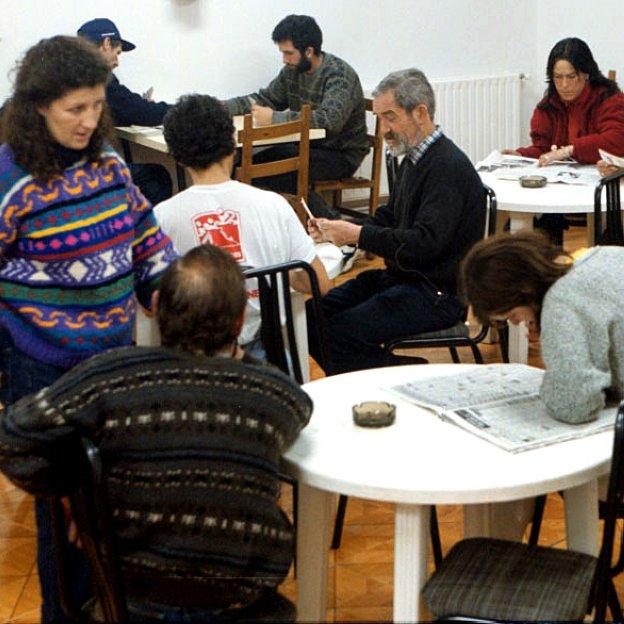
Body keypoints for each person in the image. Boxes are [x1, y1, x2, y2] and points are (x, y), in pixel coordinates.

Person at [0, 244, 312, 623]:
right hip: (243, 606)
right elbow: (302, 405)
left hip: (132, 601)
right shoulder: (272, 393)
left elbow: (12, 436)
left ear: (158, 305)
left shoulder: (108, 378)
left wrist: (71, 490)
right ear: (239, 320)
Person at [0, 35, 177, 622]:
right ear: (39, 107)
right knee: (61, 510)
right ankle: (64, 613)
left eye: (97, 106)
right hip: (41, 364)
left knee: (107, 502)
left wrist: (175, 295)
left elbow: (145, 236)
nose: (89, 120)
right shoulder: (10, 178)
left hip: (111, 359)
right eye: (75, 108)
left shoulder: (108, 162)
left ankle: (105, 606)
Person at [306, 68, 485, 375]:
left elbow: (424, 244)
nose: (383, 128)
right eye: (380, 118)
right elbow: (392, 216)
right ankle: (396, 372)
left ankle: (402, 378)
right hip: (405, 279)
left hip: (436, 293)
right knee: (309, 316)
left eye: (390, 117)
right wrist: (337, 230)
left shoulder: (447, 167)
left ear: (420, 113)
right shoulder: (414, 157)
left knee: (337, 331)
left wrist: (358, 235)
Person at [155, 93, 331, 358]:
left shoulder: (161, 218)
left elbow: (155, 304)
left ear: (177, 157)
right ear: (234, 142)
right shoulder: (274, 205)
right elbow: (319, 283)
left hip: (194, 359)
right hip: (268, 353)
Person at [460, 230, 624, 424]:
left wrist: (555, 350)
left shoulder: (561, 300)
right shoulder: (602, 254)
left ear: (525, 290)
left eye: (513, 315)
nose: (516, 323)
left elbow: (575, 406)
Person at [222, 14, 368, 219]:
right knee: (244, 167)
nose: (284, 59)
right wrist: (219, 108)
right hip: (307, 147)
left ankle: (330, 223)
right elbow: (264, 98)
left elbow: (330, 121)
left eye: (289, 53)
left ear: (308, 51)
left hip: (340, 153)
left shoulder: (339, 75)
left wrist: (274, 119)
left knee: (277, 172)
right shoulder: (292, 71)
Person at [77, 18, 173, 205]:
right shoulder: (96, 77)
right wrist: (188, 109)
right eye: (117, 52)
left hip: (55, 173)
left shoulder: (67, 74)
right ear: (106, 44)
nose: (117, 62)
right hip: (84, 177)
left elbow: (123, 109)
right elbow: (142, 113)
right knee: (156, 177)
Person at [503, 37, 624, 166]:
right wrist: (520, 155)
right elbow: (543, 149)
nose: (564, 85)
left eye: (571, 77)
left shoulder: (609, 99)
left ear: (586, 74)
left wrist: (569, 150)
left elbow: (617, 139)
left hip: (600, 177)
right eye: (558, 77)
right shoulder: (548, 105)